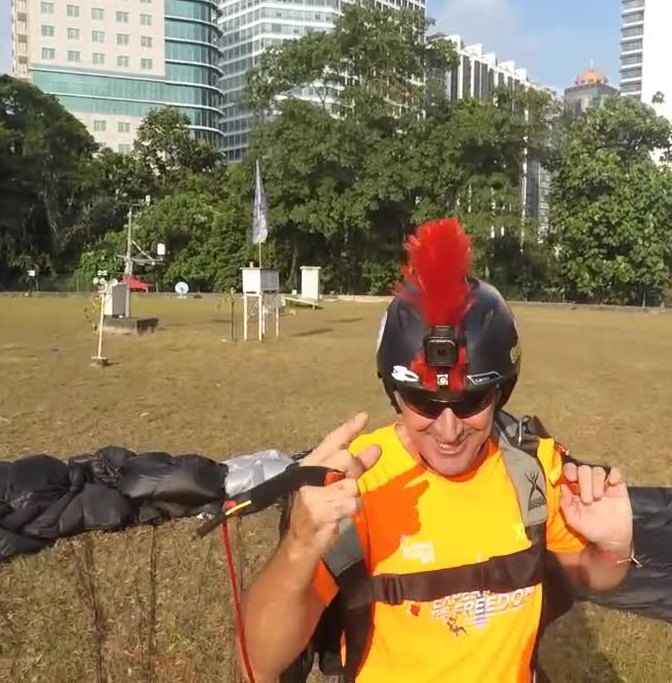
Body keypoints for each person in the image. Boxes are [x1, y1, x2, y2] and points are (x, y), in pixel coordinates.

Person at [240, 218, 635, 683]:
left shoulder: (531, 469)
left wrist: (614, 549)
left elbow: (594, 576)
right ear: (394, 394)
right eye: (425, 402)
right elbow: (258, 667)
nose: (448, 430)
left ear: (501, 393)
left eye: (470, 401)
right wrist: (298, 548)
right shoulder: (357, 483)